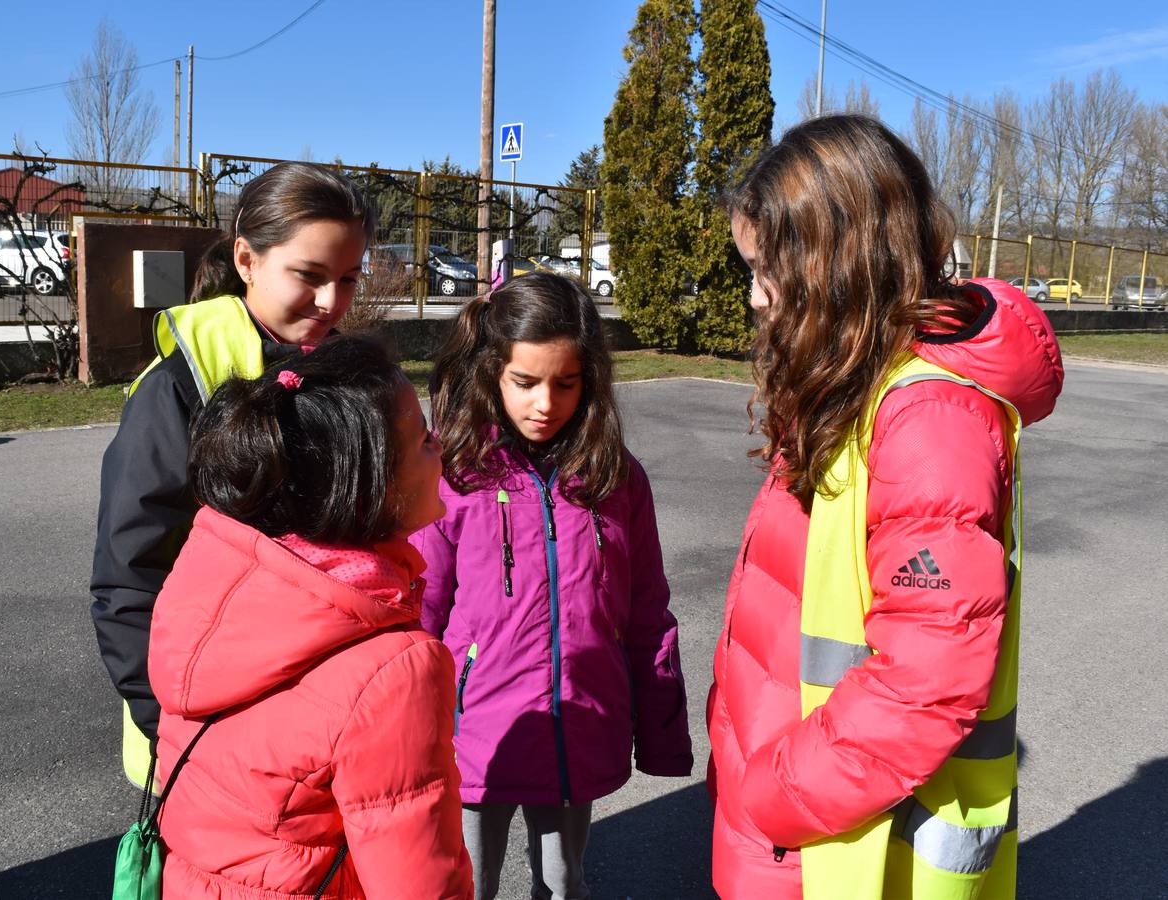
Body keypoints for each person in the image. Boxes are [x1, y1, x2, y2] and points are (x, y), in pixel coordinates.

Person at [707, 114, 1064, 899]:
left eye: (769, 270)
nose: (757, 297)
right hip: (795, 829)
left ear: (839, 265)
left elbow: (925, 680)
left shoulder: (927, 421)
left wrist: (773, 791)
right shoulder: (851, 384)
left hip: (838, 850)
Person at [147, 336, 473, 898]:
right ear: (369, 483)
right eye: (423, 439)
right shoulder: (394, 670)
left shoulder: (218, 582)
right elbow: (419, 882)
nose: (439, 446)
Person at [89, 162, 374, 786]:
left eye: (349, 278)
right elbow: (128, 579)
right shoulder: (178, 388)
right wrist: (171, 725)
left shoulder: (345, 377)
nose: (332, 301)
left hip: (319, 723)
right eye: (310, 275)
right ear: (246, 259)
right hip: (203, 734)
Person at [415, 272, 694, 900]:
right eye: (525, 382)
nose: (546, 403)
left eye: (566, 383)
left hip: (577, 733)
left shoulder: (616, 479)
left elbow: (647, 614)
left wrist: (662, 735)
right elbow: (417, 617)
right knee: (462, 887)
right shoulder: (453, 475)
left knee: (566, 885)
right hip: (473, 740)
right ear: (491, 372)